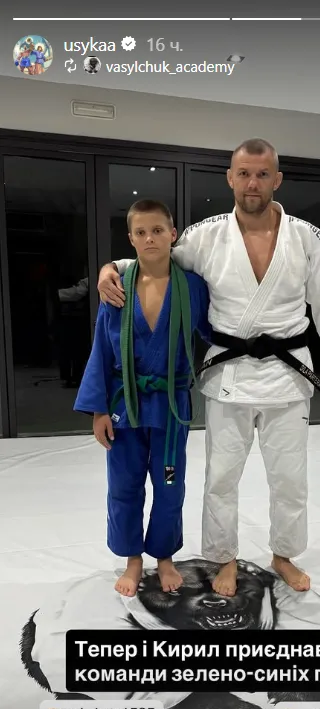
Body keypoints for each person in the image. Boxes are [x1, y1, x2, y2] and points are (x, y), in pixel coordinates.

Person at [97, 139, 320, 598]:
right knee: (221, 477)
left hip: (288, 375)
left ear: (277, 179)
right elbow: (155, 256)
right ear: (230, 178)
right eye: (244, 173)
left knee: (290, 478)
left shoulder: (309, 239)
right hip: (229, 374)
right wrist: (111, 267)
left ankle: (284, 555)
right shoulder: (206, 235)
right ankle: (224, 558)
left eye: (262, 174)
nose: (252, 183)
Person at [75, 199, 211, 597]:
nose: (149, 238)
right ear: (131, 239)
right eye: (140, 232)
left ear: (173, 234)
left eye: (157, 230)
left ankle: (163, 555)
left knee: (169, 484)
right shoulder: (116, 287)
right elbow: (102, 348)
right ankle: (133, 558)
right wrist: (98, 409)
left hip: (169, 406)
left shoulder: (193, 287)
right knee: (124, 484)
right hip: (125, 405)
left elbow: (216, 331)